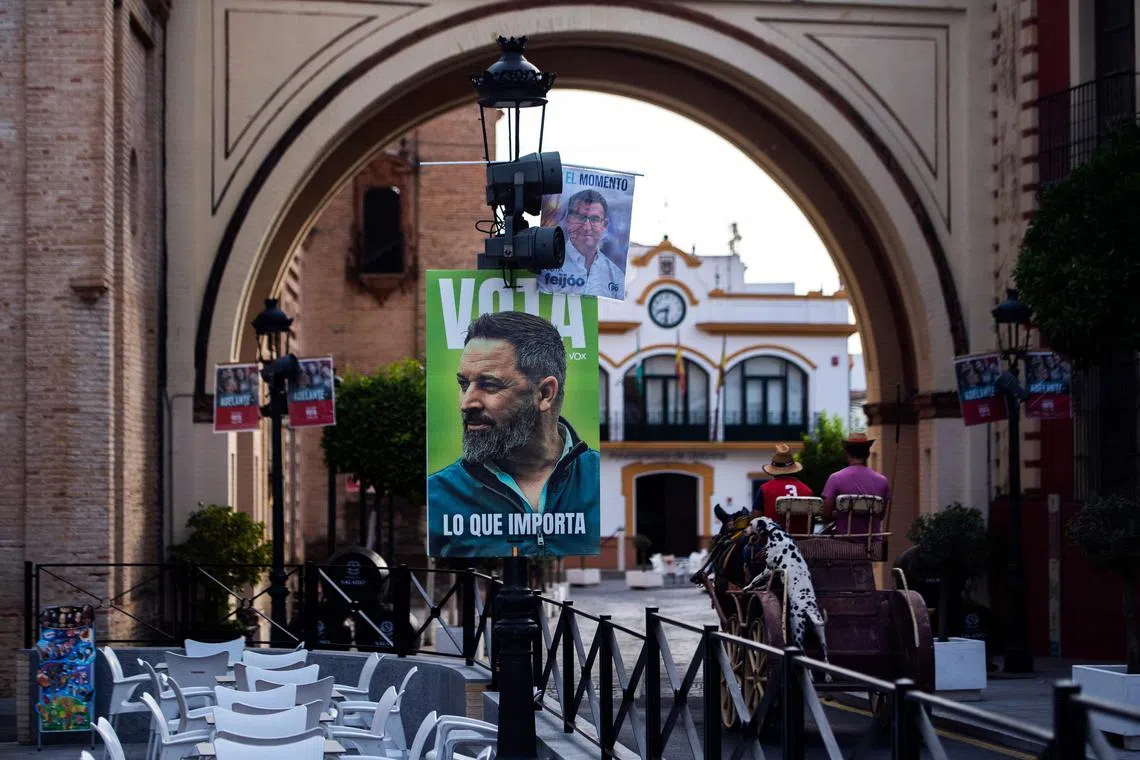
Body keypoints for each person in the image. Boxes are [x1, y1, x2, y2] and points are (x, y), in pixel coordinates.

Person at [427, 310, 600, 557]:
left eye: (490, 385)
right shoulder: (439, 493)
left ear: (544, 394)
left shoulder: (596, 479)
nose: (467, 403)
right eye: (464, 385)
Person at [540, 189, 627, 300]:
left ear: (604, 225)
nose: (586, 227)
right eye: (580, 217)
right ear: (568, 221)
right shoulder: (547, 266)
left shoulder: (616, 276)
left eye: (594, 219)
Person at [821, 432, 891, 536]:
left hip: (843, 544)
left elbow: (825, 516)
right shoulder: (883, 480)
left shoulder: (835, 478)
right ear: (867, 454)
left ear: (846, 453)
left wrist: (840, 514)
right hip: (873, 544)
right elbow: (880, 516)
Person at [754, 444, 813, 520]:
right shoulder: (807, 490)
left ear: (773, 470)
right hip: (801, 532)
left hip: (773, 532)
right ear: (793, 469)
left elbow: (755, 519)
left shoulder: (764, 489)